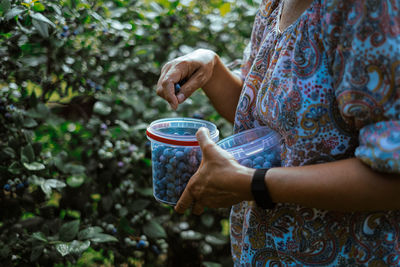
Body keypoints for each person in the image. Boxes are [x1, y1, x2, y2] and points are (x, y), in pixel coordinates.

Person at [156, 0, 400, 265]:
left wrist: (253, 183)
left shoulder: (368, 9)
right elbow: (264, 115)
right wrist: (211, 67)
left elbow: (391, 178)